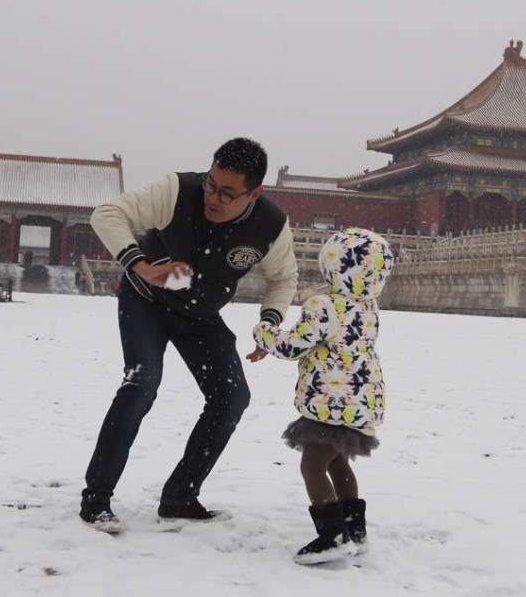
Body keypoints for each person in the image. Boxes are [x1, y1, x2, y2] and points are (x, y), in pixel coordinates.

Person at [79, 137, 298, 532]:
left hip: (200, 313)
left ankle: (180, 495)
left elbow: (283, 278)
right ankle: (96, 499)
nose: (214, 198)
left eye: (228, 193)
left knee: (232, 397)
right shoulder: (179, 190)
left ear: (255, 192)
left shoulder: (270, 224)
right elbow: (107, 213)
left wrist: (269, 322)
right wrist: (141, 265)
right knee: (142, 383)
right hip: (147, 299)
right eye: (212, 185)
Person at [251, 227, 394, 564]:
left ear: (332, 264)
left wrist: (264, 332)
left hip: (330, 402)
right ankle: (354, 531)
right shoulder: (369, 306)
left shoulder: (324, 306)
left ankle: (331, 536)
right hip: (361, 399)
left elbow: (292, 345)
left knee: (313, 466)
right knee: (338, 460)